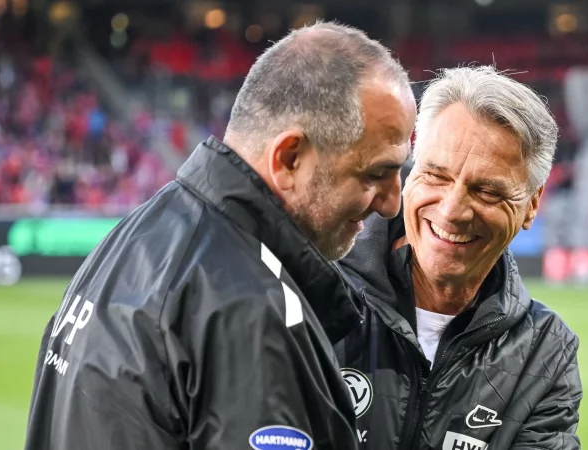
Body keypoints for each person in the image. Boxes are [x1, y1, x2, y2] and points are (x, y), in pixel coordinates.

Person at [25, 22, 416, 450]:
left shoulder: (129, 241)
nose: (392, 203)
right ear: (289, 158)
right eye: (376, 173)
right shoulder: (251, 310)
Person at [335, 66, 582, 449]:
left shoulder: (544, 354)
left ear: (532, 205)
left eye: (486, 191)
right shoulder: (314, 294)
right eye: (435, 175)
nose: (452, 211)